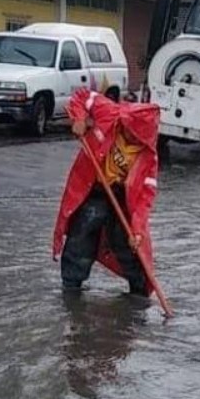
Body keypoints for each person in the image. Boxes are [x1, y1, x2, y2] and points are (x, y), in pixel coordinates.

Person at [53, 89, 161, 296]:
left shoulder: (149, 158)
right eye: (128, 130)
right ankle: (71, 288)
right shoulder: (110, 113)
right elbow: (81, 96)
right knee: (82, 231)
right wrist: (80, 118)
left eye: (136, 136)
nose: (129, 135)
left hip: (122, 199)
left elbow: (144, 200)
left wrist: (137, 230)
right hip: (94, 188)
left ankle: (138, 294)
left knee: (129, 244)